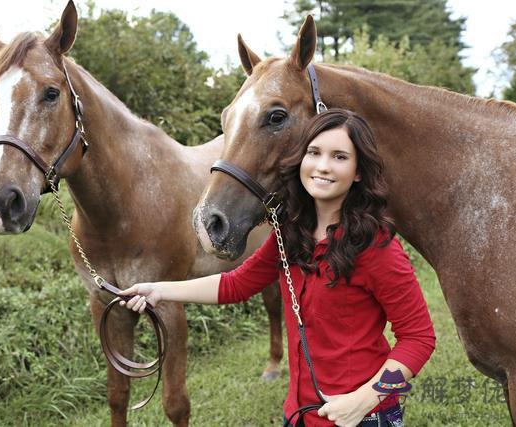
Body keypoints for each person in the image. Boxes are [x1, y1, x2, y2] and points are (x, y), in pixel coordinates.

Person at [119, 109, 436, 427]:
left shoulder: (374, 245)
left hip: (362, 417)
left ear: (357, 172)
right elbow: (236, 284)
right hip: (298, 413)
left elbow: (418, 337)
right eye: (314, 153)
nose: (323, 166)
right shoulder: (291, 232)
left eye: (339, 157)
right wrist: (158, 290)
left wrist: (364, 399)